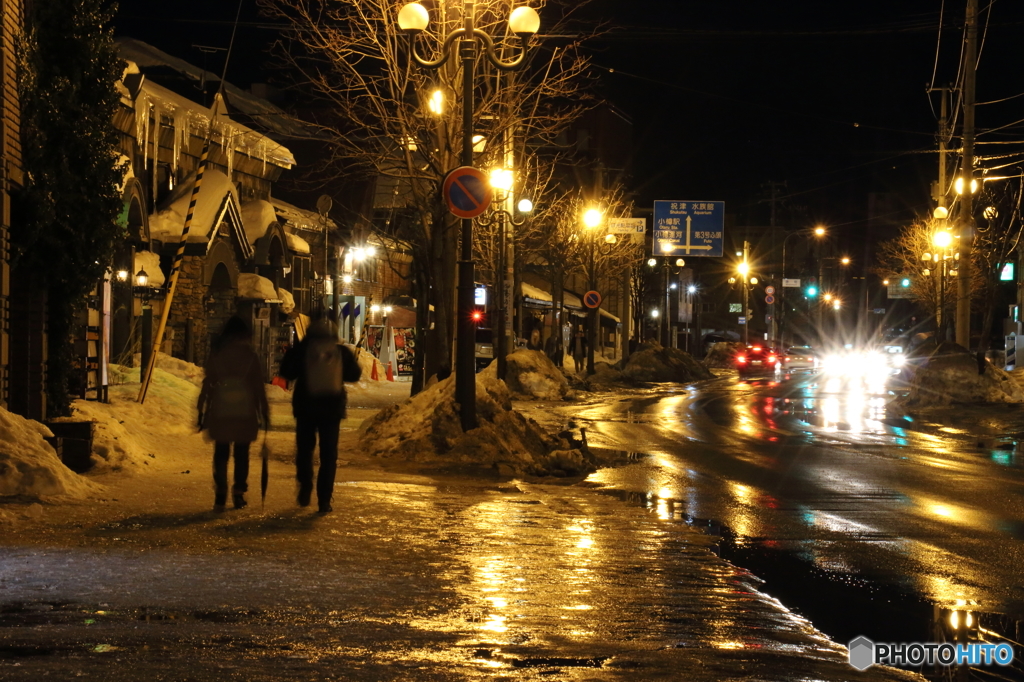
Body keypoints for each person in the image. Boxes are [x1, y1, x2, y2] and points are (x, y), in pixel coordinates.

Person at [279, 317, 361, 514]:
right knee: (328, 454)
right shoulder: (339, 351)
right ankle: (324, 499)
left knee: (305, 451)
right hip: (331, 409)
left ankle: (305, 486)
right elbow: (354, 375)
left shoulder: (302, 350)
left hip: (306, 407)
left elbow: (286, 372)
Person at [197, 316, 269, 512]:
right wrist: (264, 411)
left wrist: (201, 410)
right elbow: (258, 387)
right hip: (244, 412)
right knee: (241, 454)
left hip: (220, 410)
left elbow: (208, 384)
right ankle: (238, 493)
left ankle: (220, 493)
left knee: (221, 453)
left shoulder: (217, 354)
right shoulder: (250, 356)